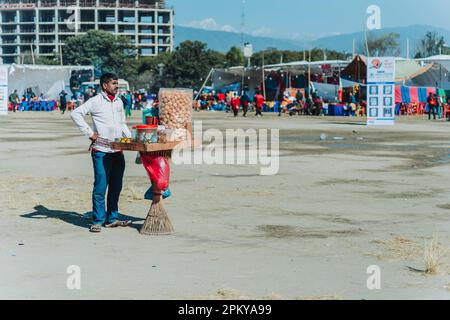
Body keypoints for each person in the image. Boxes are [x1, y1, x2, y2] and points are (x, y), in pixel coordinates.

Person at [70, 73, 132, 233]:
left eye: (117, 83)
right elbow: (75, 114)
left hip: (118, 149)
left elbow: (122, 122)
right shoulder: (95, 101)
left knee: (116, 186)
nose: (116, 86)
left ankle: (112, 219)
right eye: (114, 83)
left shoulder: (118, 101)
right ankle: (97, 220)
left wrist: (130, 139)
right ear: (105, 85)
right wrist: (90, 134)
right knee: (100, 186)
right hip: (101, 151)